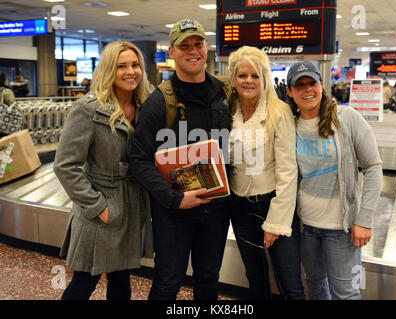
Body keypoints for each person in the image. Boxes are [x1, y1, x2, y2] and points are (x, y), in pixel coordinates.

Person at [129, 18, 231, 300]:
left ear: (206, 48)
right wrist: (175, 199)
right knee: (167, 282)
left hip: (216, 210)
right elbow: (138, 158)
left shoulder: (224, 94)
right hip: (174, 213)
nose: (193, 50)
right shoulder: (160, 101)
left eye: (198, 43)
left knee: (209, 279)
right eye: (184, 45)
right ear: (172, 52)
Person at [53, 41, 153, 300]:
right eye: (122, 66)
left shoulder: (146, 106)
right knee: (84, 282)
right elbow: (65, 165)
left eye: (135, 65)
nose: (131, 71)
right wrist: (98, 207)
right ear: (109, 70)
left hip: (132, 205)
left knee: (121, 280)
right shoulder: (88, 109)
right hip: (101, 205)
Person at [286, 61, 383, 300]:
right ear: (289, 92)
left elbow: (373, 167)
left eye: (312, 83)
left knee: (345, 293)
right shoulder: (291, 125)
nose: (308, 90)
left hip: (342, 228)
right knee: (315, 285)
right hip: (305, 225)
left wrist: (364, 219)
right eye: (300, 85)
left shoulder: (346, 118)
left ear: (322, 85)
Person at [227, 46, 305, 300]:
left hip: (274, 204)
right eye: (242, 75)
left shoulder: (279, 111)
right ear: (233, 79)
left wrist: (275, 222)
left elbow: (288, 171)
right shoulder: (226, 111)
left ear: (264, 78)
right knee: (255, 277)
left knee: (289, 282)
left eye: (255, 75)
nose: (248, 81)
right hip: (239, 207)